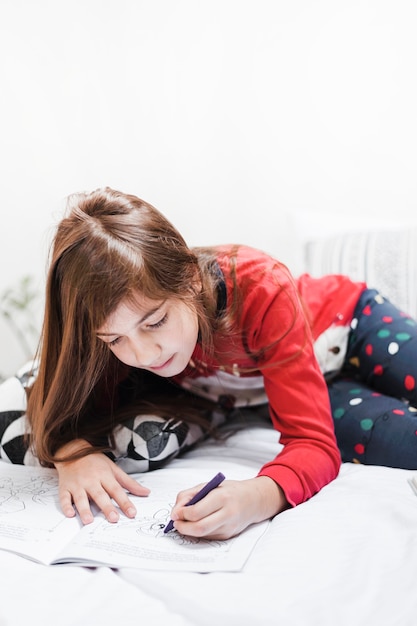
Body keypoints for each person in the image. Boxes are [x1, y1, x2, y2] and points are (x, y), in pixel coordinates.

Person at [17, 187, 417, 540]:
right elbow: (60, 402)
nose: (144, 355)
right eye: (115, 339)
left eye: (156, 321)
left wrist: (258, 497)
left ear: (190, 279)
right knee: (400, 442)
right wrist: (74, 454)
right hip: (308, 389)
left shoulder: (261, 285)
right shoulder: (116, 339)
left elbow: (310, 444)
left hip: (350, 324)